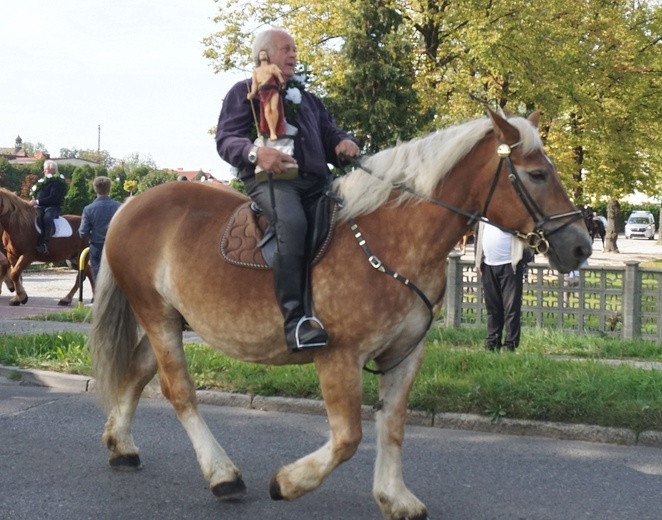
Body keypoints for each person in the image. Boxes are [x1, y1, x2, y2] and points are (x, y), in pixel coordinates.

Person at [215, 28, 360, 353]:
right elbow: (226, 138)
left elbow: (328, 132)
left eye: (295, 49)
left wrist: (342, 142)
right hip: (271, 179)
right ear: (264, 54)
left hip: (317, 181)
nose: (294, 54)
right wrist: (256, 153)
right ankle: (296, 323)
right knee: (292, 223)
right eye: (286, 49)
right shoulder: (244, 92)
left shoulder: (306, 97)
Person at [475, 221, 532, 352]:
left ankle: (510, 344)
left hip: (510, 265)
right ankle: (492, 342)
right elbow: (479, 236)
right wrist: (479, 261)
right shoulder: (485, 214)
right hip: (488, 265)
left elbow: (528, 236)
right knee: (492, 308)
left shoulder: (512, 213)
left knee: (511, 308)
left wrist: (521, 261)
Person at [78, 176, 122, 280]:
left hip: (97, 247)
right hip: (116, 246)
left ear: (95, 189)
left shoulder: (88, 209)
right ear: (109, 189)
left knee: (99, 277)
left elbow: (82, 233)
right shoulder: (119, 207)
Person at [247, 49, 287, 141]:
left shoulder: (273, 67)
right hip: (263, 90)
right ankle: (272, 132)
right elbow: (254, 83)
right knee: (267, 110)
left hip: (273, 88)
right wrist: (252, 93)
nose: (263, 55)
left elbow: (281, 78)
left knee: (274, 108)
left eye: (265, 53)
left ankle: (275, 132)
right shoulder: (256, 71)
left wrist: (276, 74)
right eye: (261, 54)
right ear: (259, 57)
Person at [30, 160, 67, 254]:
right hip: (40, 207)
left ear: (53, 170)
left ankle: (45, 243)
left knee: (47, 218)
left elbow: (53, 197)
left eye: (46, 169)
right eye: (44, 169)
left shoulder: (57, 182)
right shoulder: (43, 182)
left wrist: (37, 201)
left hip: (52, 207)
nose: (44, 171)